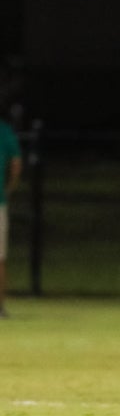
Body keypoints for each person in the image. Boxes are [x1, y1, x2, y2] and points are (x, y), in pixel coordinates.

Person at [0, 118, 22, 318]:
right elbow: (16, 164)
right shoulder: (5, 131)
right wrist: (9, 189)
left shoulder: (5, 131)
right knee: (0, 257)